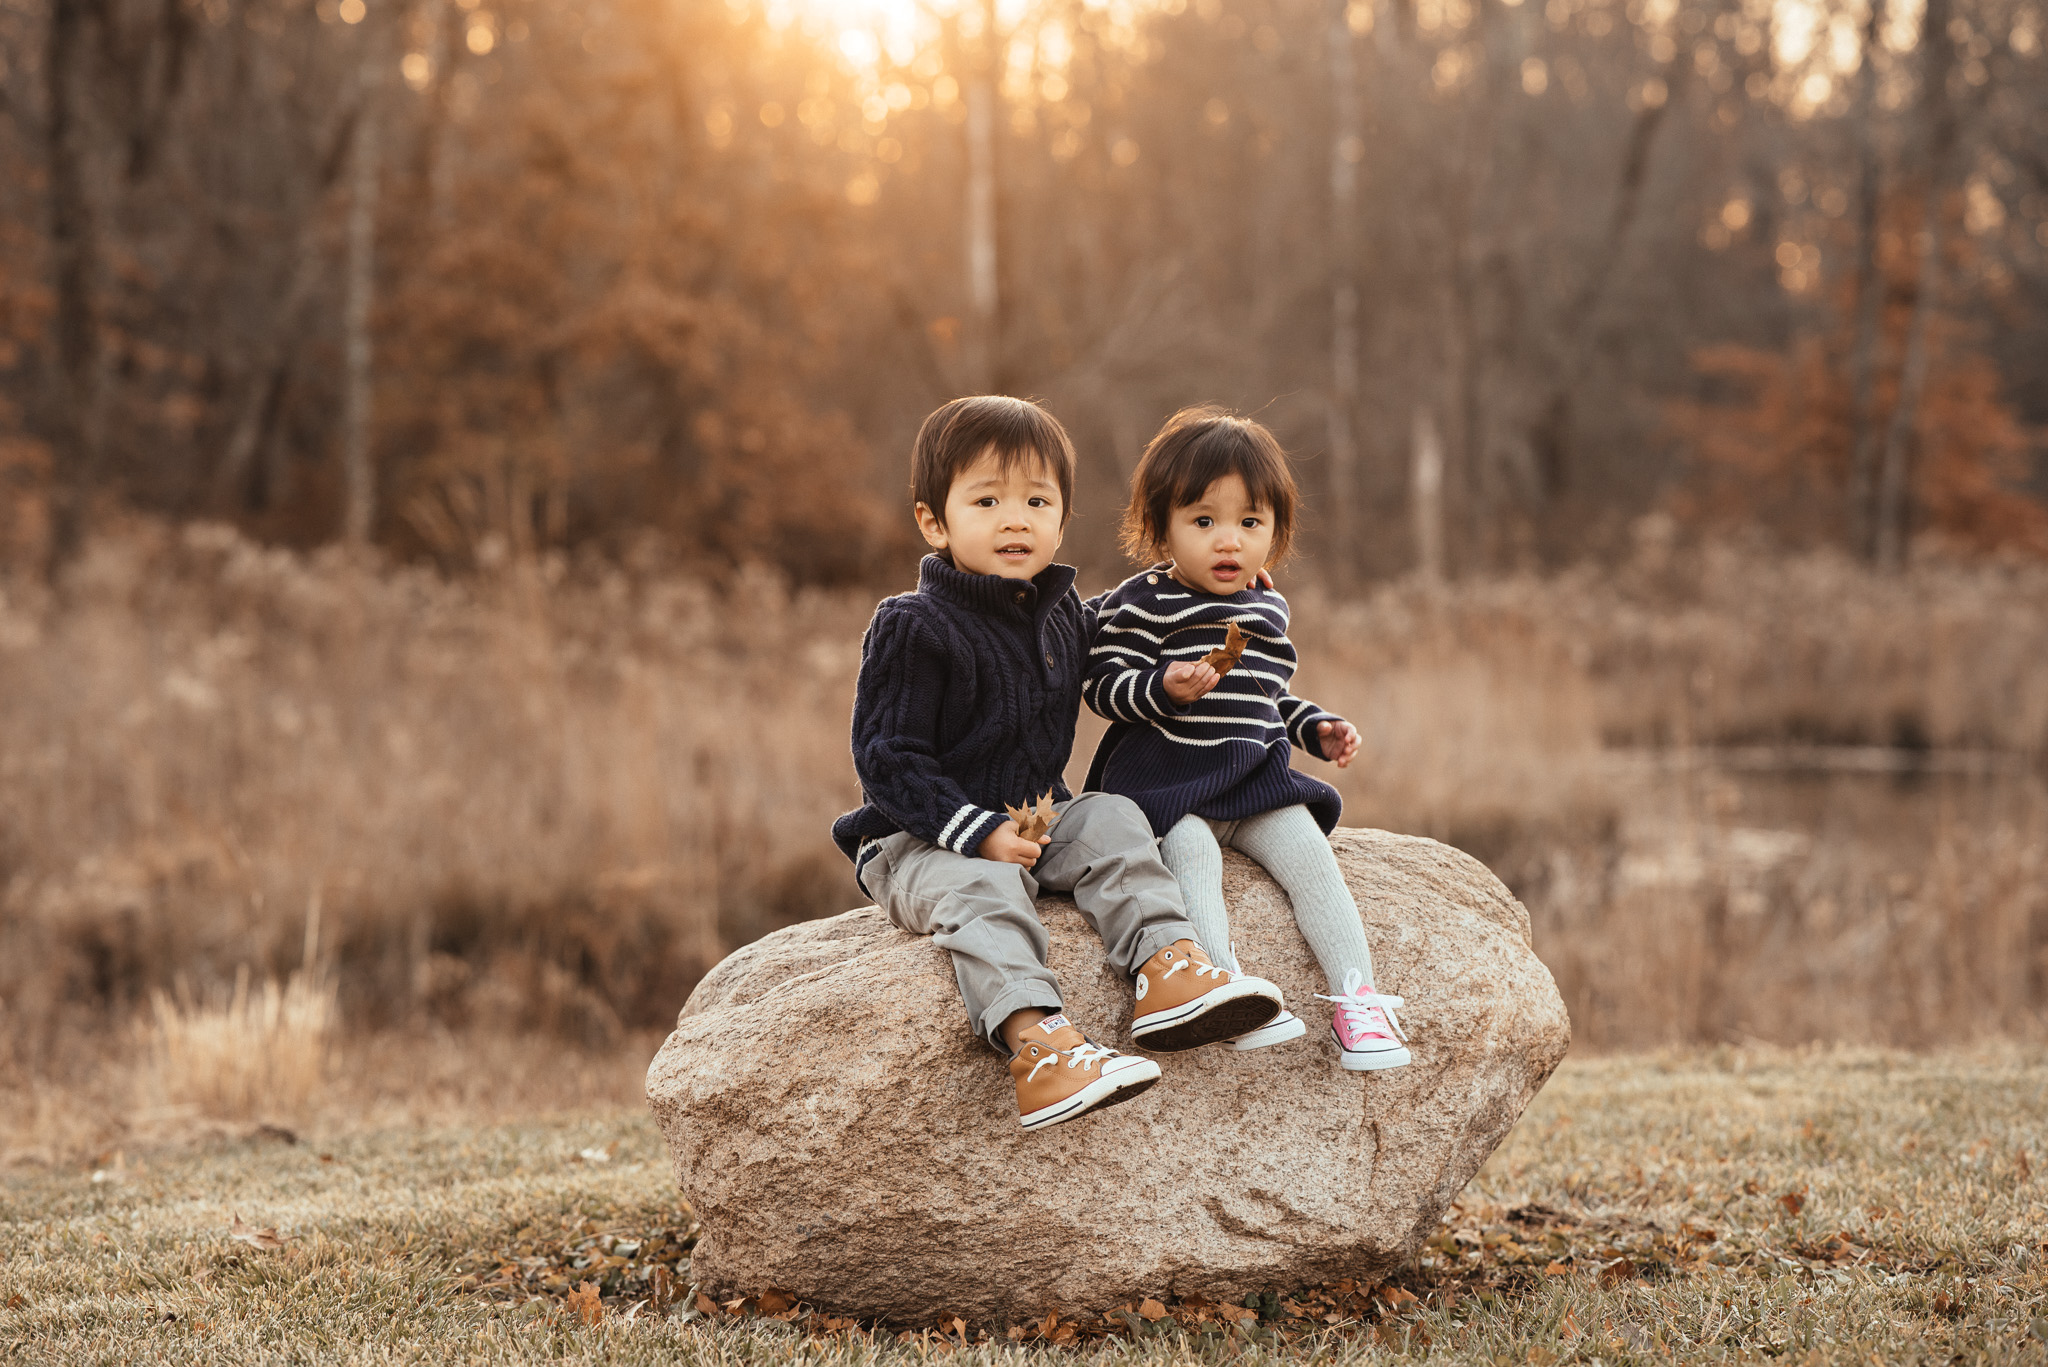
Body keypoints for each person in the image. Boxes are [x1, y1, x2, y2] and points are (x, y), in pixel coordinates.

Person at [833, 395, 1284, 1131]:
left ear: (1063, 518)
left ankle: (1166, 968)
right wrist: (977, 832)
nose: (1017, 519)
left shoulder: (1066, 614)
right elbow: (887, 758)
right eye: (988, 500)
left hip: (1037, 816)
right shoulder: (912, 626)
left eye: (1038, 501)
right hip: (920, 837)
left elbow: (1138, 616)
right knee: (984, 892)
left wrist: (1211, 592)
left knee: (1112, 816)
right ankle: (1040, 1047)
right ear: (934, 522)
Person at [1082, 406, 1413, 1071]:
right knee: (1192, 857)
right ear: (1161, 527)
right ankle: (1223, 988)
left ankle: (1358, 1003)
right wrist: (1159, 687)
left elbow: (1264, 694)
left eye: (1250, 522)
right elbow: (1097, 683)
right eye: (1203, 521)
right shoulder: (1142, 602)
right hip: (1169, 786)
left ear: (1276, 532)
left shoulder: (1265, 606)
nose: (1228, 540)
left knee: (1313, 856)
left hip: (1253, 783)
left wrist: (1315, 725)